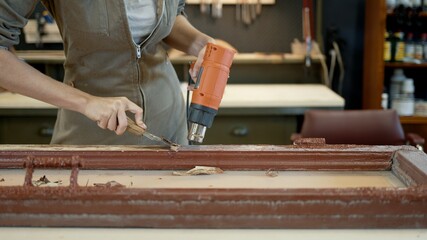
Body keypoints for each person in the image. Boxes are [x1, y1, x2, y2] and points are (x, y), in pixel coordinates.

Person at [0, 0, 214, 145]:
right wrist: (86, 102)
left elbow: (170, 16)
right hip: (91, 130)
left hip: (169, 125)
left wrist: (201, 44)